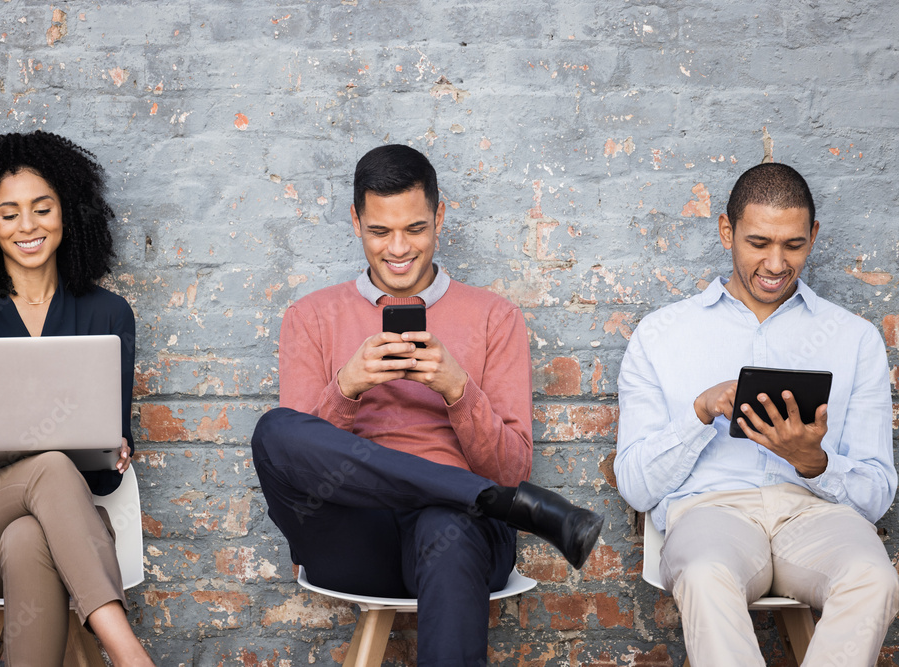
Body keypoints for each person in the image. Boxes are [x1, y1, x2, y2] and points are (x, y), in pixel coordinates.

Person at [251, 144, 604, 666]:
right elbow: (300, 466)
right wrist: (345, 387)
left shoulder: (494, 318)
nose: (397, 249)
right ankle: (492, 501)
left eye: (415, 229)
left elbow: (511, 466)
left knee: (449, 523)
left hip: (454, 540)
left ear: (440, 217)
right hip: (352, 538)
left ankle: (476, 500)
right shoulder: (310, 317)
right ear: (355, 221)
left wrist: (460, 391)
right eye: (379, 231)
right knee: (275, 430)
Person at [615, 162, 899, 666]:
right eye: (758, 242)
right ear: (727, 231)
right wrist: (699, 414)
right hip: (711, 512)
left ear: (813, 235)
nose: (775, 263)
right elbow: (636, 487)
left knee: (874, 576)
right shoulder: (662, 335)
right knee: (705, 574)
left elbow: (876, 495)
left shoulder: (854, 339)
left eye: (793, 245)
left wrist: (815, 463)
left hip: (816, 512)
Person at [0, 131, 154, 666]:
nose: (28, 226)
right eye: (9, 214)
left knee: (27, 538)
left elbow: (105, 474)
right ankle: (130, 653)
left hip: (64, 530)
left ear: (67, 212)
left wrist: (118, 451)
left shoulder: (108, 316)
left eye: (42, 209)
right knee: (46, 464)